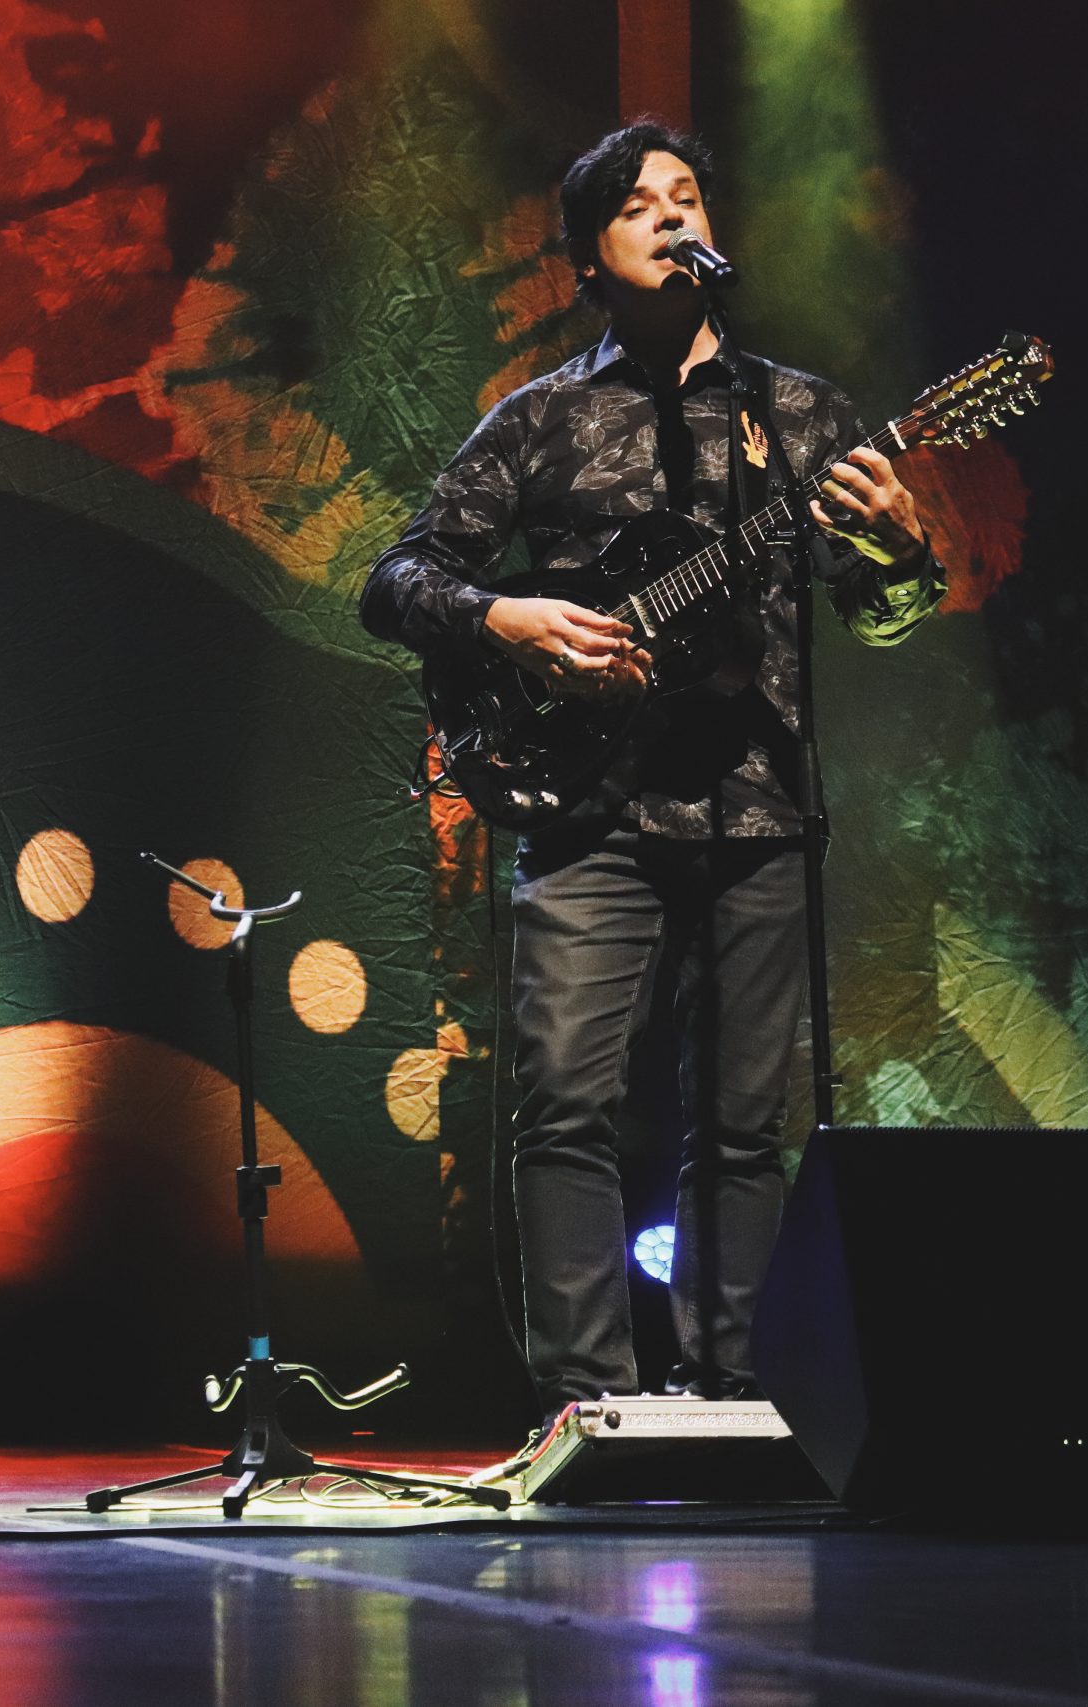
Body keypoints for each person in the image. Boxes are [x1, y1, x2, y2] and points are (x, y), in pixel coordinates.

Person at [359, 124, 944, 1423]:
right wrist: (510, 621)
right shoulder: (542, 420)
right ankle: (590, 1415)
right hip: (585, 809)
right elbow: (392, 581)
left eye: (691, 197)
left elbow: (884, 615)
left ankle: (738, 1403)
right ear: (589, 257)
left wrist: (907, 550)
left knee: (745, 1127)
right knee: (567, 1105)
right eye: (641, 206)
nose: (675, 218)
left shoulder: (798, 418)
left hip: (760, 806)